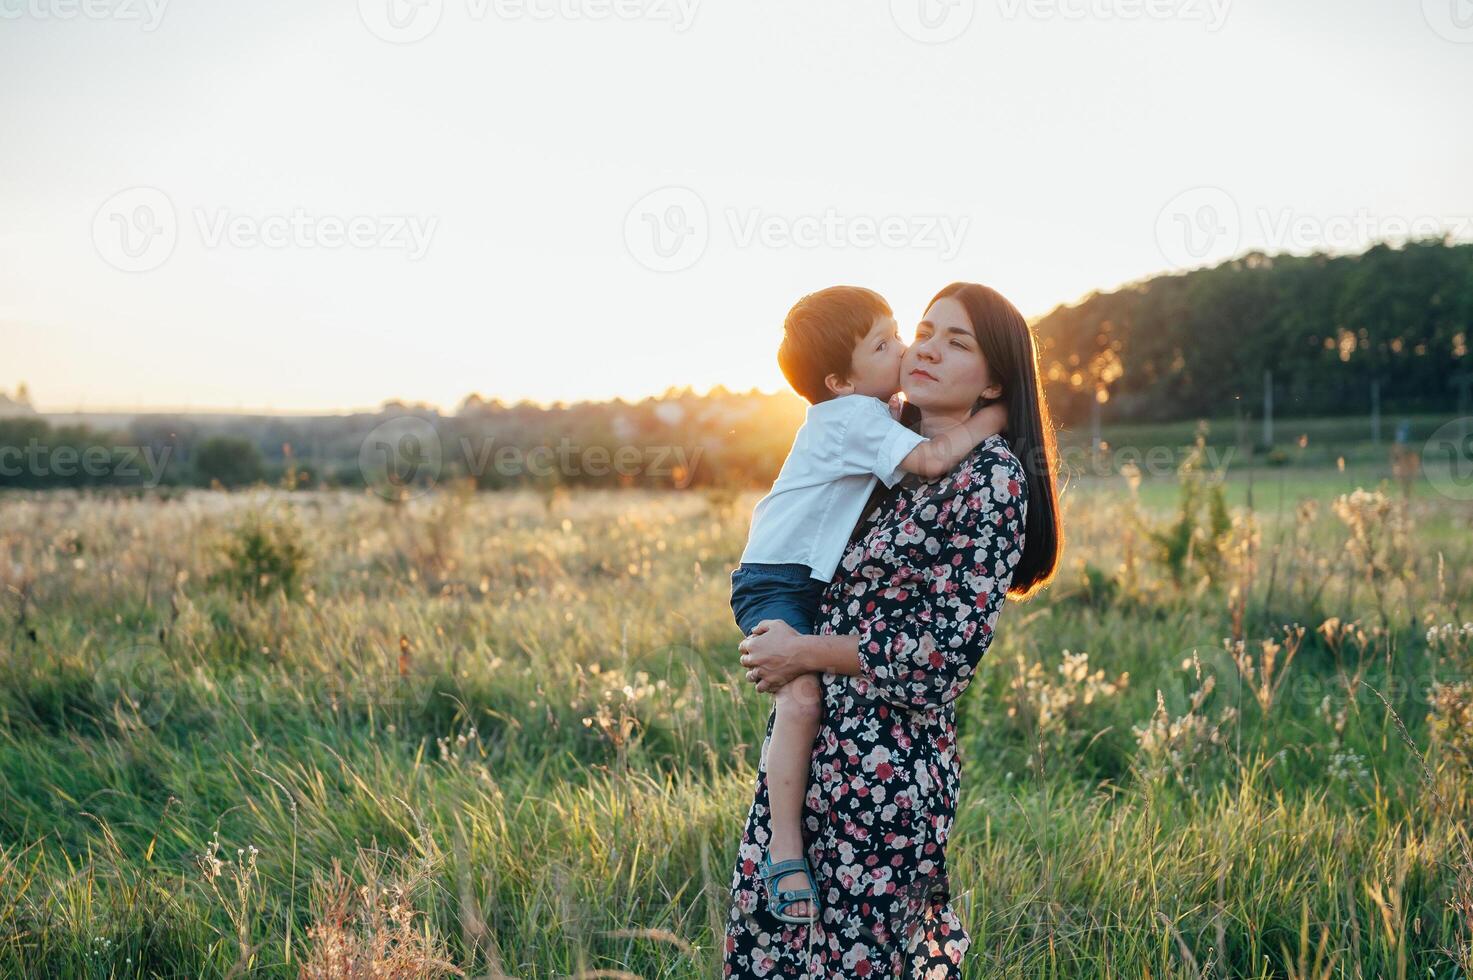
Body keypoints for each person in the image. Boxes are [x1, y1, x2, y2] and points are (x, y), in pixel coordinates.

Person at [724, 282, 1063, 977]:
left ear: (995, 377)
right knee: (775, 957)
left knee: (862, 963)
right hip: (812, 755)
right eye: (924, 330)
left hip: (884, 775)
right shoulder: (883, 449)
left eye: (957, 341)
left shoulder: (989, 478)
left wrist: (799, 651)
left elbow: (942, 657)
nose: (927, 349)